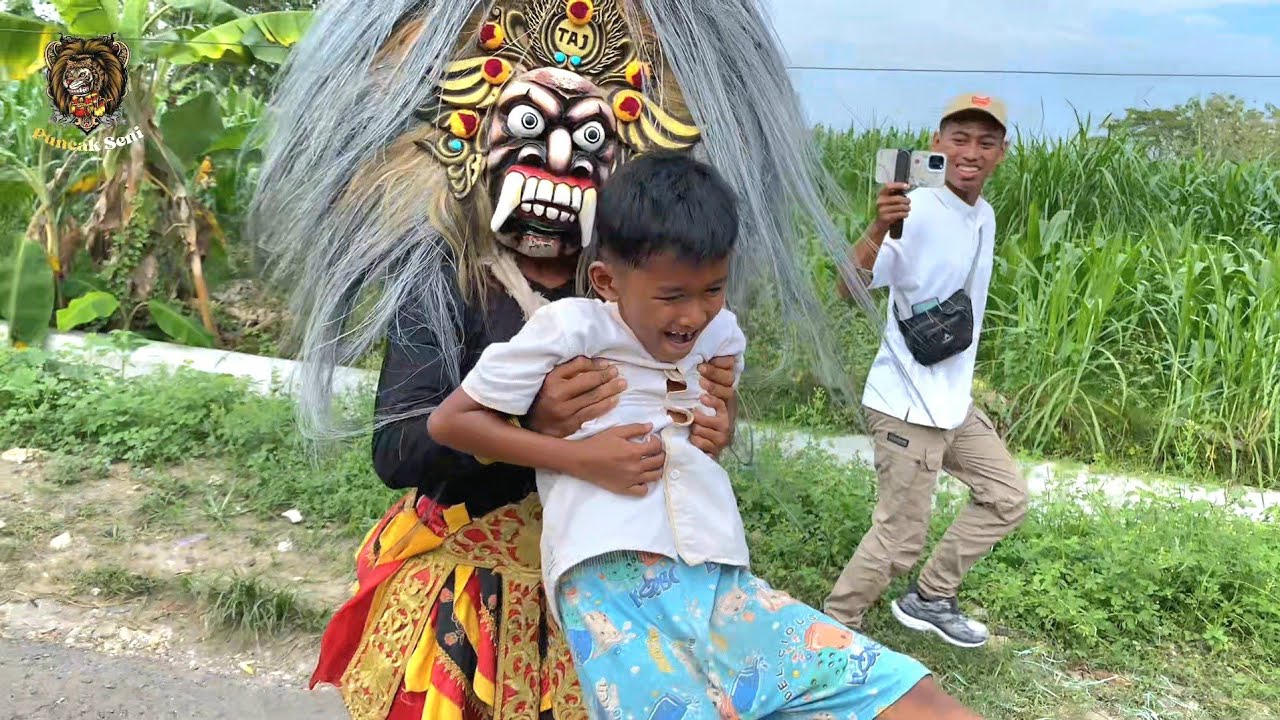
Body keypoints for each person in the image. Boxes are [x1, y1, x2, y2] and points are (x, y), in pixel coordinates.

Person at [249, 0, 974, 716]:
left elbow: (680, 426)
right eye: (530, 131)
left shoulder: (645, 289)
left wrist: (713, 427)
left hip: (630, 590)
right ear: (474, 140)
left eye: (586, 139)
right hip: (476, 589)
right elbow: (399, 449)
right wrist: (536, 424)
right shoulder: (451, 277)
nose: (557, 162)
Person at [430, 152, 981, 719]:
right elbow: (450, 422)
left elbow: (716, 409)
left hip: (720, 578)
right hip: (610, 582)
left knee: (915, 697)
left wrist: (724, 421)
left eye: (712, 290)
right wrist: (578, 459)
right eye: (672, 296)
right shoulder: (569, 328)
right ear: (606, 281)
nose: (693, 315)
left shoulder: (722, 334)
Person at [824, 93, 1029, 649]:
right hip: (905, 401)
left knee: (1006, 496)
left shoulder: (981, 214)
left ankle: (931, 597)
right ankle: (833, 633)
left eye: (986, 142)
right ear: (936, 144)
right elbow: (848, 288)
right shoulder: (915, 211)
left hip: (951, 402)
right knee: (898, 540)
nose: (971, 152)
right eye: (959, 138)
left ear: (1002, 153)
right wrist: (878, 225)